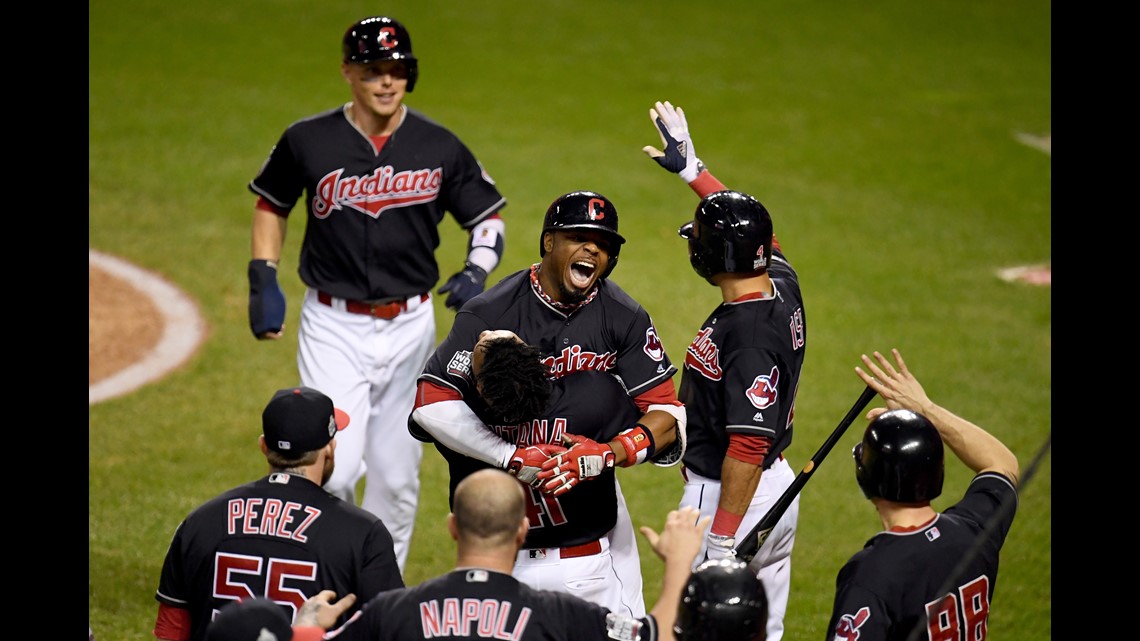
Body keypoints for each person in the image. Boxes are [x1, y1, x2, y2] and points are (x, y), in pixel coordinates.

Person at [246, 14, 509, 572]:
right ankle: (323, 575)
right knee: (333, 468)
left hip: (411, 328)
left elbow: (488, 218)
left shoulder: (438, 144)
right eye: (373, 71)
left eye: (397, 70)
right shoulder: (308, 140)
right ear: (348, 72)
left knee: (396, 477)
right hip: (333, 324)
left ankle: (379, 593)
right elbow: (272, 202)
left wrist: (477, 270)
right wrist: (262, 275)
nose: (386, 82)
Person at [409, 190, 687, 615]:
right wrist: (516, 456)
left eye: (605, 243)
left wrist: (605, 455)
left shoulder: (623, 316)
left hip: (565, 533)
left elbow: (667, 414)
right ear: (548, 242)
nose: (594, 249)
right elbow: (431, 401)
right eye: (579, 237)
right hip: (526, 543)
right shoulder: (491, 313)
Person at [642, 100, 806, 641]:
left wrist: (719, 541)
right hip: (773, 492)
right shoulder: (779, 280)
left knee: (691, 630)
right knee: (763, 631)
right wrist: (695, 172)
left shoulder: (750, 339)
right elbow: (762, 238)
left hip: (732, 498)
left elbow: (747, 445)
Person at [418, 328, 676, 615]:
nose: (485, 330)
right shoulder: (591, 397)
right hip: (585, 571)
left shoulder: (462, 425)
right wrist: (609, 453)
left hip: (501, 575)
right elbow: (666, 428)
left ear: (480, 389)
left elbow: (429, 410)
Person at [298, 468, 709, 640]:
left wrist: (308, 627)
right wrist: (679, 564)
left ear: (453, 527)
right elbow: (653, 635)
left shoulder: (393, 613)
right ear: (521, 531)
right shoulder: (562, 615)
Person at [152, 387, 404, 641]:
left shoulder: (200, 522)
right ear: (329, 448)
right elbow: (392, 630)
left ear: (263, 445)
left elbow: (171, 632)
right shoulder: (362, 533)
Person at [826, 348, 1020, 641]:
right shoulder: (975, 532)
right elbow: (1002, 463)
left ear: (869, 480)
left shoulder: (871, 575)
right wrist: (926, 410)